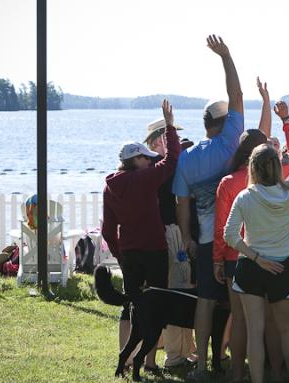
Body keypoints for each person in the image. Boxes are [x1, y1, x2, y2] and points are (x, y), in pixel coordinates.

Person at [171, 35, 242, 378]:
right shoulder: (230, 142)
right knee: (240, 305)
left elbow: (181, 203)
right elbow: (238, 96)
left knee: (205, 303)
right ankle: (233, 364)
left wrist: (186, 237)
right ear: (223, 123)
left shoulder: (187, 159)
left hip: (203, 240)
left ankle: (200, 366)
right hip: (235, 239)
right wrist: (226, 57)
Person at [102, 100, 180, 374]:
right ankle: (148, 362)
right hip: (154, 250)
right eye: (145, 157)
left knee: (132, 305)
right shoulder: (145, 178)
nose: (150, 160)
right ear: (135, 161)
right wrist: (170, 126)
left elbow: (107, 230)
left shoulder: (110, 186)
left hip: (130, 253)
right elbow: (171, 161)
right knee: (155, 307)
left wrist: (120, 255)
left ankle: (123, 361)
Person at [223, 142, 289, 383]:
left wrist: (257, 258)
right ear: (276, 166)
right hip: (281, 268)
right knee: (286, 331)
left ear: (252, 167)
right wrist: (288, 157)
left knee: (255, 331)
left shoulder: (245, 197)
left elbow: (229, 235)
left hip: (251, 267)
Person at [143, 117, 197, 369]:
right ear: (157, 143)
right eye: (170, 139)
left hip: (159, 234)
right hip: (170, 233)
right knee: (178, 289)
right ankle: (175, 356)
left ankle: (179, 350)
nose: (175, 145)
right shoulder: (160, 168)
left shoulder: (146, 169)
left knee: (172, 288)